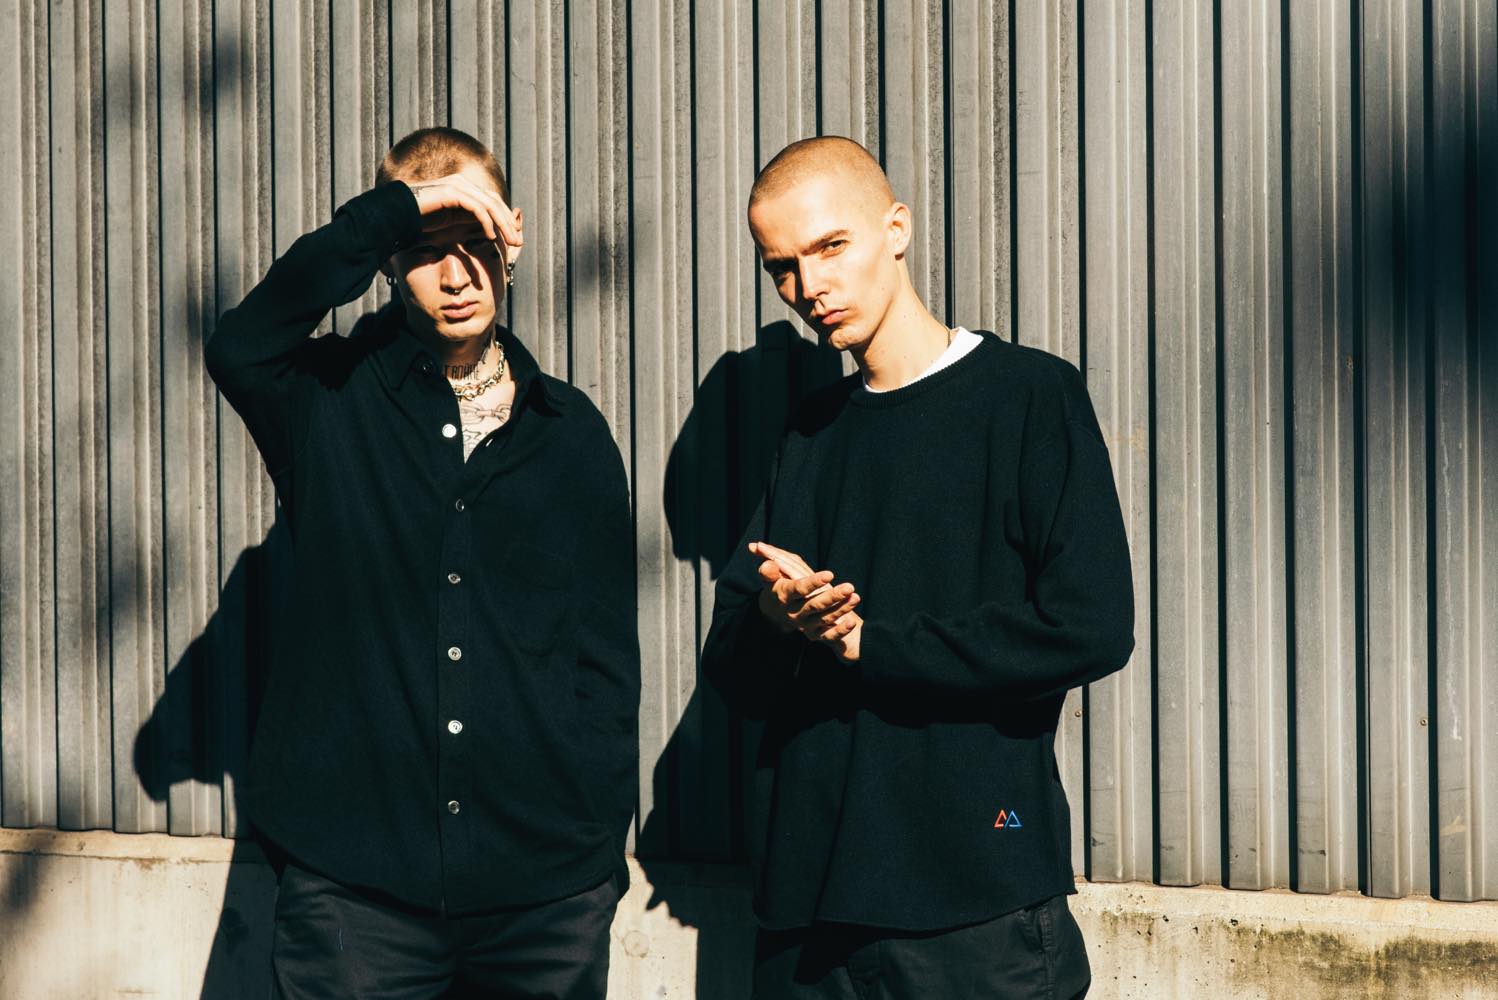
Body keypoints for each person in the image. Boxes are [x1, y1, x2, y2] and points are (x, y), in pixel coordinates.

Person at [205, 127, 639, 999]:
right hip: (354, 895)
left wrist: (593, 846)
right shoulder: (323, 399)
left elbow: (603, 655)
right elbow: (239, 344)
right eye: (426, 247)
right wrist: (397, 211)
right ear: (389, 261)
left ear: (511, 238)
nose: (456, 274)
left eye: (474, 241)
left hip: (543, 900)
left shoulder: (571, 433)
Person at [702, 135, 1135, 999]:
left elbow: (1090, 627)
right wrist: (778, 622)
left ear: (895, 229)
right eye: (782, 267)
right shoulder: (809, 434)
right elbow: (735, 677)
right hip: (808, 913)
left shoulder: (1027, 396)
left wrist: (873, 645)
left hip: (969, 902)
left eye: (830, 247)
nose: (809, 287)